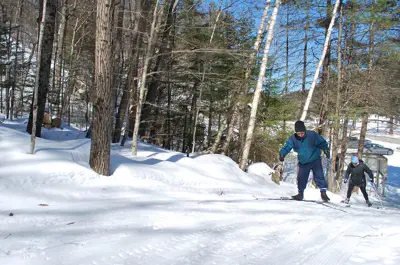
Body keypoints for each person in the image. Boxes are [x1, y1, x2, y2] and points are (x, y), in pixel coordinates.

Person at [279, 120, 331, 202]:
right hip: (303, 162)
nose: (300, 135)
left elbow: (322, 142)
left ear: (305, 131)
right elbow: (287, 147)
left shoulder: (312, 135)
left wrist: (326, 150)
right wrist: (282, 154)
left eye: (302, 133)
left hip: (315, 159)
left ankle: (323, 193)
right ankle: (300, 194)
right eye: (298, 133)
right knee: (301, 178)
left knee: (319, 176)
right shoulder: (293, 138)